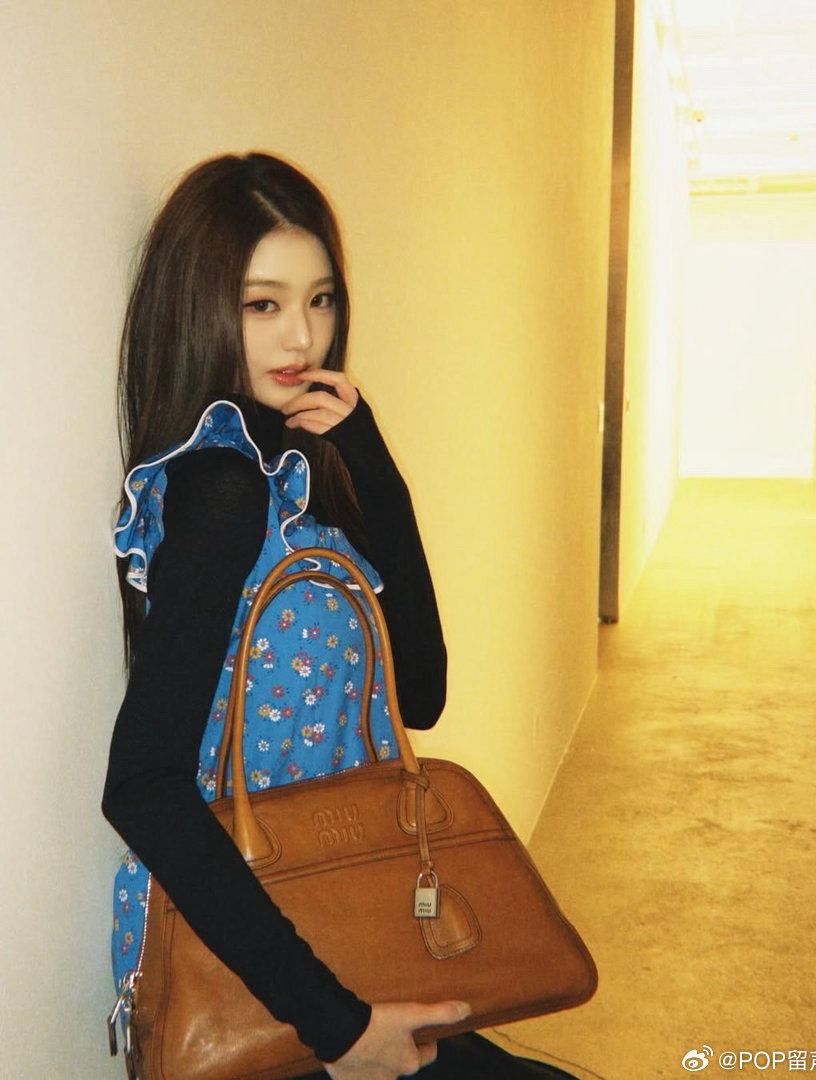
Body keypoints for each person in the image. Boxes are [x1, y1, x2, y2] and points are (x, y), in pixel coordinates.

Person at [103, 152, 578, 1080]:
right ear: (200, 310)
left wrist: (373, 463)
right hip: (269, 969)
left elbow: (424, 693)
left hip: (350, 913)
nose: (302, 337)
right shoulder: (224, 489)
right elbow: (143, 787)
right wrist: (339, 1028)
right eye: (263, 304)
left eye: (320, 300)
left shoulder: (296, 477)